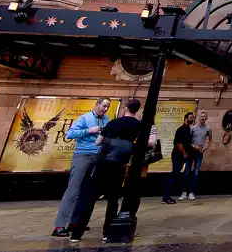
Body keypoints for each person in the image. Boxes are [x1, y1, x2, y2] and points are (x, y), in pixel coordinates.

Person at [70, 99, 154, 242]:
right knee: (113, 200)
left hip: (103, 164)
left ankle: (77, 234)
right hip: (120, 166)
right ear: (137, 110)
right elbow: (148, 143)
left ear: (126, 107)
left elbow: (98, 141)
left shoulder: (114, 123)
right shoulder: (139, 126)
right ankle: (107, 232)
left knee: (90, 198)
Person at [52, 97, 111, 238]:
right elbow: (70, 134)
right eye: (103, 106)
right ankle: (59, 226)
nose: (105, 109)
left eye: (108, 107)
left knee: (85, 192)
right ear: (97, 104)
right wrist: (88, 131)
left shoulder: (106, 119)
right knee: (73, 190)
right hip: (83, 155)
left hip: (97, 157)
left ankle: (75, 222)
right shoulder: (84, 118)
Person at [163, 112, 195, 205]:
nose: (192, 119)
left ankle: (167, 196)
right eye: (190, 117)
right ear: (185, 118)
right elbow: (178, 143)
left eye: (193, 118)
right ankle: (166, 197)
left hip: (182, 156)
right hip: (177, 155)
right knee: (174, 175)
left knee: (175, 175)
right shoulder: (181, 130)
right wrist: (184, 153)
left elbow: (187, 143)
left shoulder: (188, 129)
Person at [182, 111, 212, 201]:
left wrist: (205, 149)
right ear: (199, 118)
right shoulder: (193, 128)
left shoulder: (208, 129)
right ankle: (184, 192)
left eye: (204, 117)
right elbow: (188, 140)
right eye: (201, 116)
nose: (202, 118)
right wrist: (192, 147)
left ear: (206, 118)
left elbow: (210, 140)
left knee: (196, 172)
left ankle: (191, 192)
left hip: (199, 152)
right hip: (191, 151)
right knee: (187, 171)